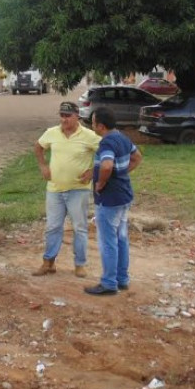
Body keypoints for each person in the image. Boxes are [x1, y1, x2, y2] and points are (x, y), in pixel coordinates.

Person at [32, 101, 101, 278]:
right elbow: (39, 147)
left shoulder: (89, 135)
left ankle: (80, 264)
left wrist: (94, 170)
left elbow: (106, 151)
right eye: (62, 115)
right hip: (54, 190)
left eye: (68, 116)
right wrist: (43, 166)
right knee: (52, 227)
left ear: (77, 116)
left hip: (78, 190)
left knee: (80, 228)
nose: (64, 119)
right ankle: (48, 263)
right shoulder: (51, 133)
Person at [85, 106, 143, 296]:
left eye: (93, 122)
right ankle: (122, 279)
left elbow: (107, 165)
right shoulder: (122, 138)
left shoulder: (107, 143)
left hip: (110, 200)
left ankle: (109, 283)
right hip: (124, 196)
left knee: (108, 241)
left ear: (100, 126)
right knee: (121, 238)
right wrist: (122, 173)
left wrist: (101, 183)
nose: (92, 125)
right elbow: (137, 157)